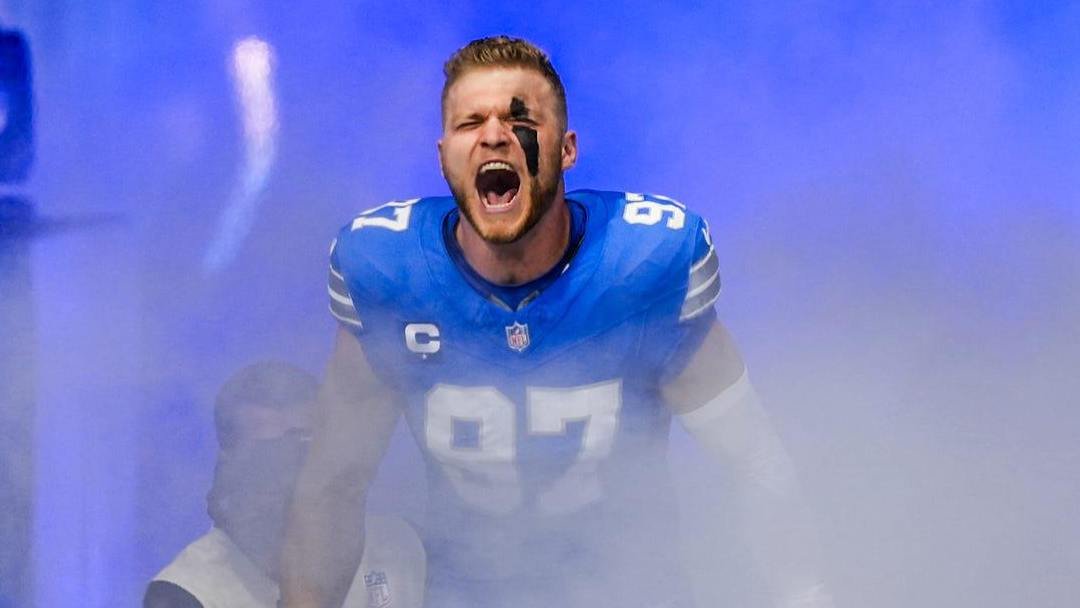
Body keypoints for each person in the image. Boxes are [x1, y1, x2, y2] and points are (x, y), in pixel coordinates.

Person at [281, 36, 833, 608]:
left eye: (519, 117)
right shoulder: (389, 273)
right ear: (444, 154)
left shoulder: (643, 266)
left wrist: (809, 596)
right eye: (471, 122)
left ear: (566, 149)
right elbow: (333, 484)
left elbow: (752, 461)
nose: (494, 134)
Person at [145, 361, 425, 608]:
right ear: (228, 461)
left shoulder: (402, 548)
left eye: (305, 446)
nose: (288, 471)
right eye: (268, 453)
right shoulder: (190, 591)